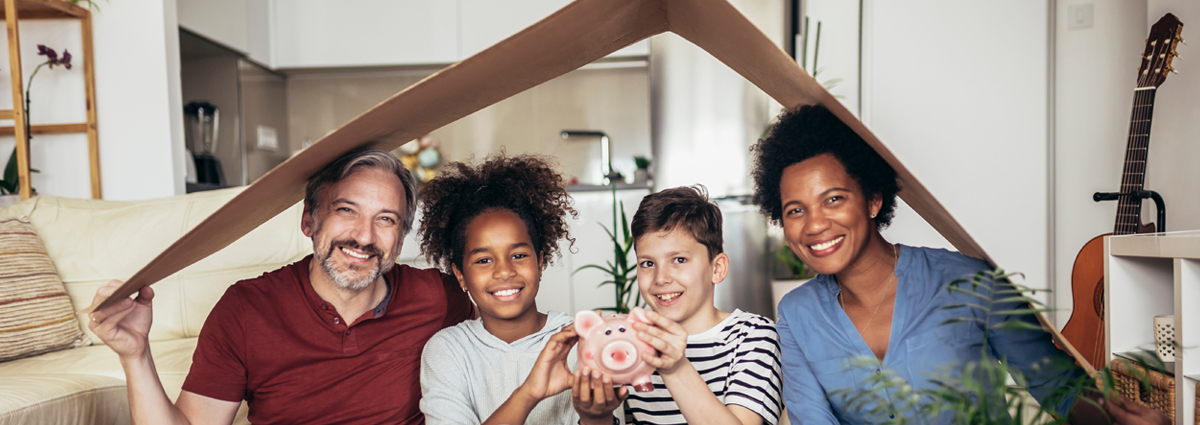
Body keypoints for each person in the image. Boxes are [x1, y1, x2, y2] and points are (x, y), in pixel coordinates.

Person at [753, 104, 1167, 424]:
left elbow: (1055, 386)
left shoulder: (970, 281)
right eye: (795, 210)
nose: (815, 225)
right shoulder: (797, 313)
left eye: (833, 199)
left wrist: (1116, 418)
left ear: (873, 199)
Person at [87, 148, 474, 424]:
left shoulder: (439, 297)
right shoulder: (245, 309)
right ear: (309, 221)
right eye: (346, 210)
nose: (364, 236)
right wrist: (135, 356)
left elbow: (502, 343)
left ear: (401, 238)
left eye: (386, 219)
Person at [417, 153, 621, 425]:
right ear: (460, 275)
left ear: (540, 261)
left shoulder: (583, 343)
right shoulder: (448, 351)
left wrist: (596, 417)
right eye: (483, 260)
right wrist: (529, 393)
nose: (504, 271)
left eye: (519, 255)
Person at [582, 185, 782, 425]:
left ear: (717, 268)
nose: (660, 278)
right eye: (647, 263)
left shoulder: (753, 336)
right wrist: (595, 417)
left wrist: (675, 368)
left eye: (679, 260)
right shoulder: (631, 341)